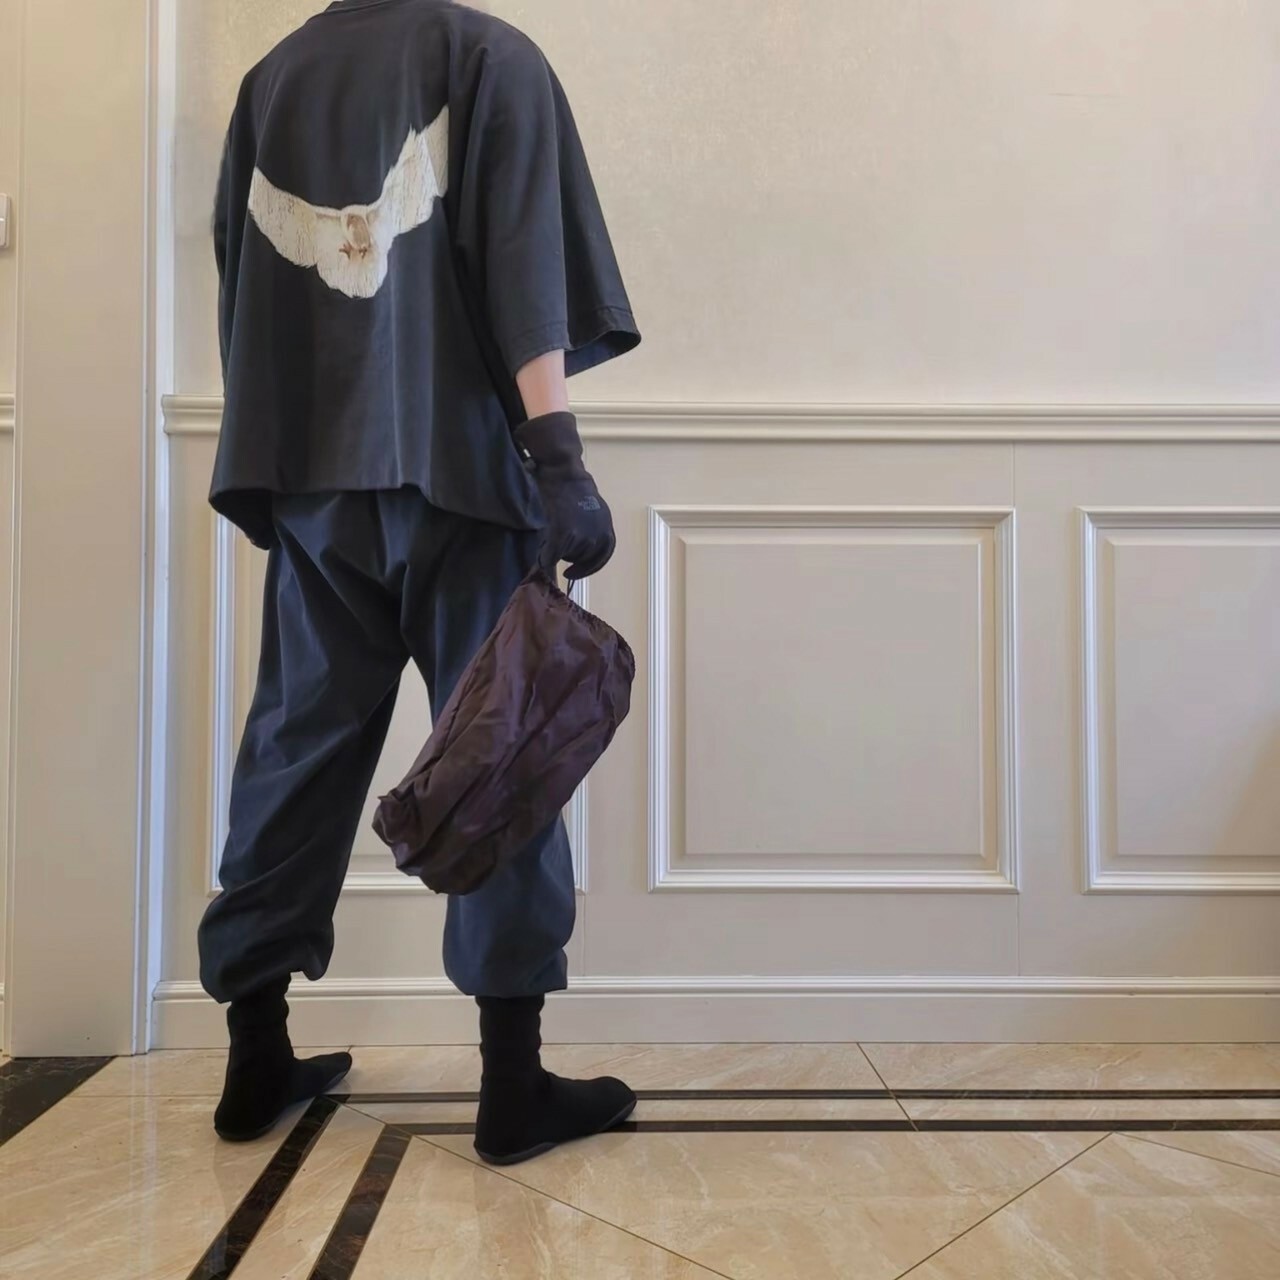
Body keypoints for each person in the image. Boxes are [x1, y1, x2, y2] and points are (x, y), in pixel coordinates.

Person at [199, 0, 640, 1167]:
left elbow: (245, 287)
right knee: (499, 755)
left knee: (294, 749)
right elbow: (522, 267)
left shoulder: (273, 81)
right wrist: (558, 459)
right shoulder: (490, 56)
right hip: (462, 476)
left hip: (314, 479)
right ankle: (511, 1084)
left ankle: (254, 1054)